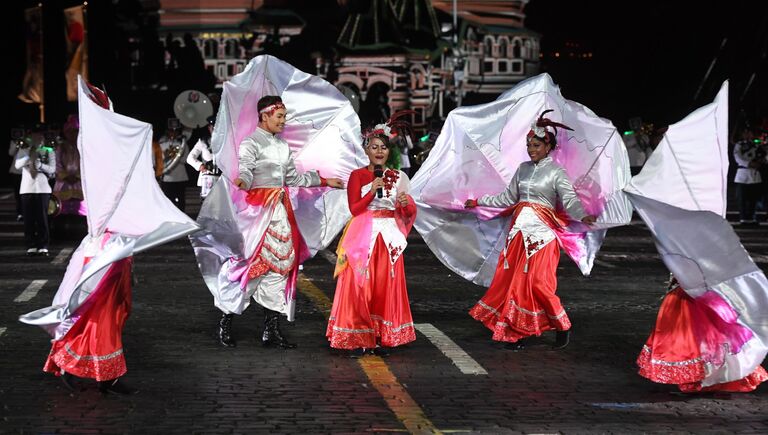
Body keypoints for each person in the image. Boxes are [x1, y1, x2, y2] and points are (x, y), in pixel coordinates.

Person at [464, 111, 596, 350]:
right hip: (519, 233)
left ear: (548, 146)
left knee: (538, 283)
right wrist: (479, 201)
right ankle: (515, 333)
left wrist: (582, 215)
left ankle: (562, 324)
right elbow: (507, 197)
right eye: (528, 145)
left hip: (544, 234)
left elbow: (570, 200)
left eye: (536, 145)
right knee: (514, 282)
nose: (531, 149)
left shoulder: (557, 172)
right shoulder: (523, 169)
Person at [220, 95, 343, 349]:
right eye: (280, 116)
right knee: (249, 266)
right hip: (258, 211)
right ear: (265, 115)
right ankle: (226, 320)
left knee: (280, 267)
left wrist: (324, 181)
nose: (283, 122)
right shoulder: (250, 143)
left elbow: (293, 179)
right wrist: (242, 181)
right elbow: (245, 169)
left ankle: (271, 329)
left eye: (285, 117)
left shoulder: (283, 146)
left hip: (279, 211)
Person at [326, 121, 417, 357]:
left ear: (389, 151)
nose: (379, 151)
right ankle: (357, 334)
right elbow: (355, 209)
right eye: (374, 147)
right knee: (360, 286)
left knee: (384, 286)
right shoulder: (357, 176)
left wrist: (407, 205)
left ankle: (380, 335)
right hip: (362, 236)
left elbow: (406, 213)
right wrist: (370, 191)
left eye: (383, 147)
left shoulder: (398, 177)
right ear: (366, 150)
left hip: (388, 240)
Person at [637, 275, 767, 393]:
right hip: (695, 287)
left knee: (705, 332)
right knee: (703, 333)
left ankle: (704, 376)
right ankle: (701, 376)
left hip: (699, 289)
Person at [15, 130, 56, 256]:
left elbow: (53, 169)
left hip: (42, 189)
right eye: (34, 138)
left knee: (42, 218)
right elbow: (17, 165)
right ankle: (31, 245)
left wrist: (40, 165)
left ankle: (43, 245)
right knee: (28, 219)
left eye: (40, 138)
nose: (37, 140)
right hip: (27, 189)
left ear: (43, 140)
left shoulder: (48, 152)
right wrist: (29, 157)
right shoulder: (24, 151)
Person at [54, 114, 84, 215]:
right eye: (69, 132)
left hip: (80, 184)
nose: (72, 134)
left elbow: (87, 165)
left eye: (75, 131)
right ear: (66, 133)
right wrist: (66, 177)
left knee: (81, 213)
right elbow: (57, 164)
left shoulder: (83, 147)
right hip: (63, 185)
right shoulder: (61, 147)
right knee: (62, 212)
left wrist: (77, 177)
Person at [733, 128, 764, 224]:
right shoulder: (739, 145)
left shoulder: (757, 145)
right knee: (742, 198)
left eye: (750, 132)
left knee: (754, 199)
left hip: (754, 174)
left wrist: (760, 162)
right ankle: (743, 217)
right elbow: (737, 157)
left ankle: (752, 217)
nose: (748, 134)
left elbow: (763, 156)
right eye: (746, 133)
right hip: (743, 174)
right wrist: (749, 164)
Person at [186, 115, 220, 199]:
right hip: (207, 179)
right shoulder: (203, 142)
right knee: (207, 207)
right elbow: (190, 158)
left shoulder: (227, 142)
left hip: (222, 179)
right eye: (213, 127)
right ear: (209, 128)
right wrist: (200, 165)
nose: (215, 130)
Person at [158, 118, 189, 211]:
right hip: (167, 178)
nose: (173, 133)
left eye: (176, 131)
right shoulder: (162, 143)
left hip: (180, 177)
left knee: (181, 202)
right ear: (168, 131)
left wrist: (176, 155)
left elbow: (185, 160)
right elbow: (159, 160)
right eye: (171, 130)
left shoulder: (183, 144)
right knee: (167, 202)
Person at [8, 128, 25, 221]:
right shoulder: (13, 142)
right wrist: (16, 145)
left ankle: (25, 212)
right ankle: (19, 213)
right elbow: (11, 153)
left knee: (24, 194)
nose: (18, 134)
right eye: (16, 133)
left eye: (19, 133)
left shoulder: (26, 141)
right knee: (17, 194)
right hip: (15, 171)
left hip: (24, 172)